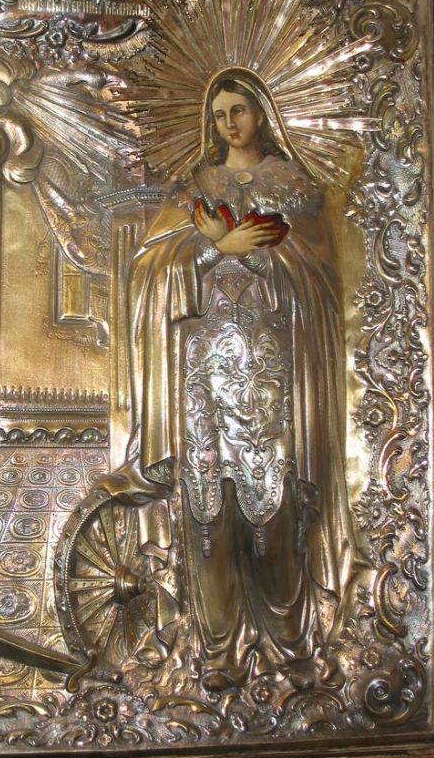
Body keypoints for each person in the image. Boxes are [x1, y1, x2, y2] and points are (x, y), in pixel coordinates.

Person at [101, 69, 360, 689]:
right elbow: (151, 270)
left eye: (239, 111)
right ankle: (215, 649)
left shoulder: (296, 187)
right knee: (207, 517)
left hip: (272, 377)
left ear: (261, 112)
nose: (229, 125)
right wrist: (215, 248)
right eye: (219, 115)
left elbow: (322, 285)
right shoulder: (195, 188)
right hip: (201, 380)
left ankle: (293, 645)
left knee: (274, 517)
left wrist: (260, 253)